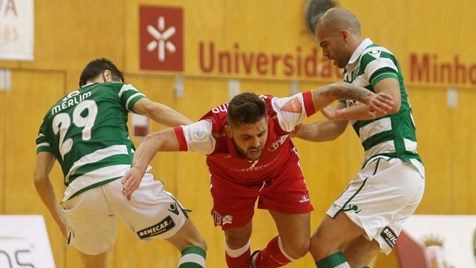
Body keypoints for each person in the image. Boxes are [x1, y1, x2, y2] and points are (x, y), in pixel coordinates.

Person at [121, 81, 394, 268]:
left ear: (267, 122)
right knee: (236, 239)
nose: (256, 142)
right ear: (229, 131)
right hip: (231, 182)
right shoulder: (208, 132)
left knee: (299, 246)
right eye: (247, 136)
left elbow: (334, 90)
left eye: (261, 133)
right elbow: (153, 140)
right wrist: (137, 170)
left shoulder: (283, 112)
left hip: (281, 173)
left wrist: (366, 96)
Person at [33, 58, 207, 268]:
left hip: (79, 195)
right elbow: (150, 109)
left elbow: (40, 177)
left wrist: (61, 221)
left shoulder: (51, 115)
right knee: (194, 244)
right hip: (123, 180)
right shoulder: (114, 88)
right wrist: (202, 131)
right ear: (107, 75)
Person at [294, 7, 426, 268]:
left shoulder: (373, 56)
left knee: (322, 244)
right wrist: (298, 131)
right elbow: (333, 128)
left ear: (344, 35)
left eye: (325, 44)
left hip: (391, 165)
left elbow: (392, 101)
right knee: (352, 261)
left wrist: (336, 115)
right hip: (405, 177)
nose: (324, 54)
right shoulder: (351, 75)